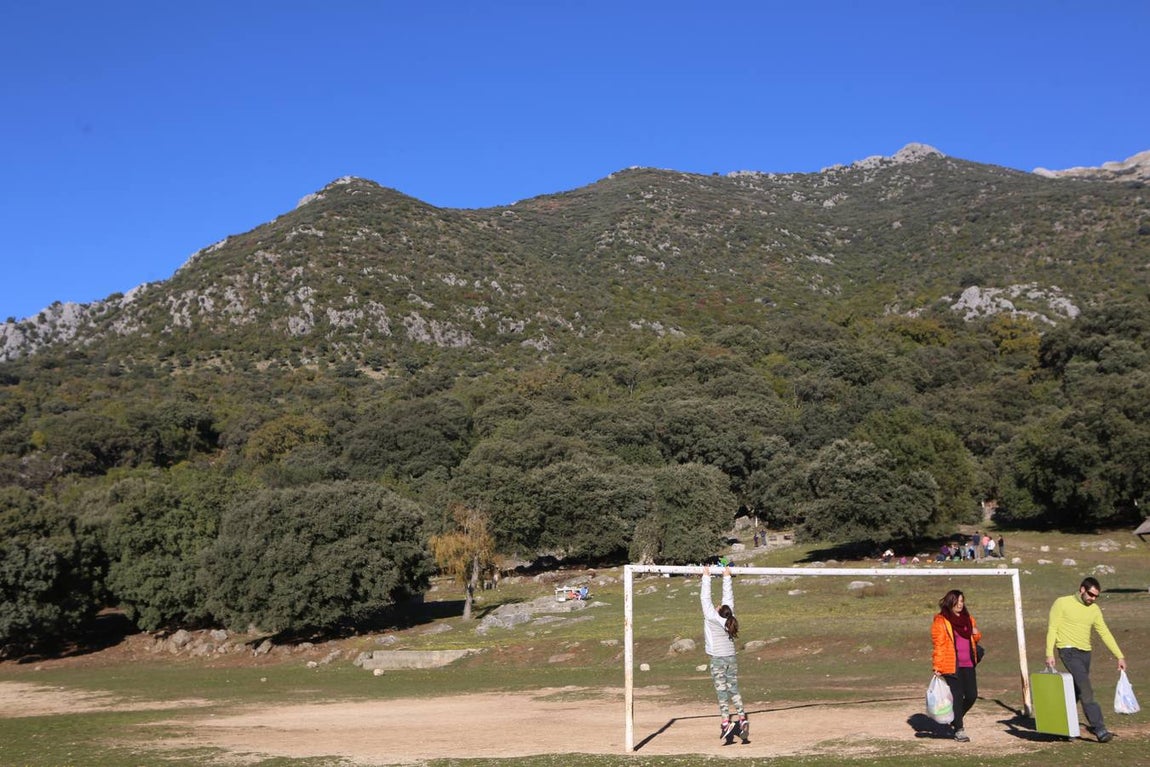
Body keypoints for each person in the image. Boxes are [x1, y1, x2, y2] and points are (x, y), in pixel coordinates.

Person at [1045, 577, 1127, 743]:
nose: (1093, 598)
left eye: (1096, 596)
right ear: (1082, 589)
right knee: (1086, 689)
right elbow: (1052, 628)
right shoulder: (1062, 603)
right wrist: (1049, 653)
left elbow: (1104, 632)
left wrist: (1119, 655)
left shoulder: (1094, 609)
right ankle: (1100, 729)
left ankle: (1060, 726)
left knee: (1076, 691)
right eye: (1091, 594)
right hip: (1068, 651)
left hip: (1085, 653)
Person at [701, 564, 748, 745]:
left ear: (719, 611)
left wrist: (706, 577)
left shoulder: (712, 617)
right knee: (733, 689)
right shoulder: (730, 618)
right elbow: (728, 598)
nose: (718, 604)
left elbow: (705, 598)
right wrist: (726, 576)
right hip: (731, 657)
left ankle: (726, 722)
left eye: (719, 605)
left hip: (718, 659)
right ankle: (742, 718)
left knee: (722, 692)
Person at [931, 589, 982, 742]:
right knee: (958, 696)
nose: (960, 604)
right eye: (957, 601)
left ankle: (955, 717)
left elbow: (975, 638)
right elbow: (938, 645)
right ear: (950, 602)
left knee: (972, 695)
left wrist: (976, 633)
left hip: (969, 663)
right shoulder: (941, 621)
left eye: (962, 601)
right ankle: (959, 729)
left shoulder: (968, 619)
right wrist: (938, 666)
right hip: (951, 665)